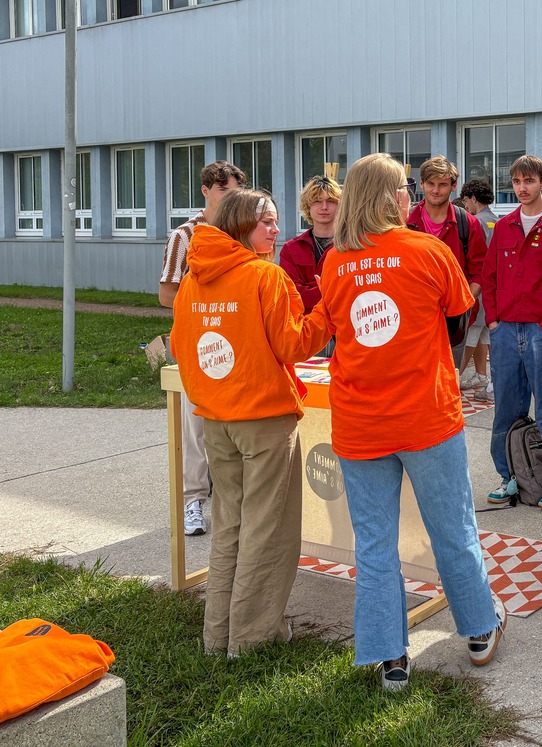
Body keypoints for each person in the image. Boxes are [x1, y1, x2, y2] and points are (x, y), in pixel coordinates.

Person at [317, 153, 506, 691]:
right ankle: (478, 629)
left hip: (360, 423)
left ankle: (389, 658)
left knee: (374, 545)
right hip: (426, 418)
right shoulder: (428, 250)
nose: (411, 194)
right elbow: (460, 305)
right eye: (404, 186)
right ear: (390, 196)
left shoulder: (335, 261)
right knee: (454, 531)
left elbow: (333, 323)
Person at [169, 188, 330, 656]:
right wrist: (328, 311)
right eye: (267, 222)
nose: (276, 230)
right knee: (269, 530)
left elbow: (180, 348)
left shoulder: (196, 277)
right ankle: (253, 638)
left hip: (217, 419)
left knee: (230, 529)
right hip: (264, 421)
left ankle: (217, 636)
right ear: (242, 226)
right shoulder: (266, 276)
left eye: (277, 221)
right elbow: (294, 345)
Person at [482, 155, 542, 509]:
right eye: (517, 182)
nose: (523, 188)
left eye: (529, 181)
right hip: (505, 331)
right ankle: (509, 476)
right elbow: (489, 277)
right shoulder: (505, 226)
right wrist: (493, 320)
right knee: (506, 410)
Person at [159, 159, 247, 535]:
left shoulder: (242, 232)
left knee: (232, 424)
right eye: (224, 191)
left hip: (239, 343)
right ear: (206, 191)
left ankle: (232, 504)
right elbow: (166, 294)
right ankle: (192, 501)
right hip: (199, 342)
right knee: (195, 426)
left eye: (236, 193)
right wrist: (205, 301)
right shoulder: (185, 235)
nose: (230, 199)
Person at [407, 156, 488, 367]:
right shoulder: (406, 223)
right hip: (411, 320)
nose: (436, 190)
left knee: (450, 384)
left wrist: (461, 306)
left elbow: (481, 271)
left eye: (442, 184)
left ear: (453, 186)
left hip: (454, 322)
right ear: (422, 184)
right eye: (431, 184)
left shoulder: (468, 224)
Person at [279, 175, 342, 357]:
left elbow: (351, 290)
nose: (324, 207)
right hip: (307, 329)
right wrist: (330, 290)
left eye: (330, 201)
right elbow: (293, 295)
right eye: (317, 201)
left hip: (343, 329)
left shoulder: (350, 246)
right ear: (308, 206)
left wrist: (312, 290)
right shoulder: (291, 249)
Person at [459, 179, 499, 400]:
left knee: (468, 338)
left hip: (478, 290)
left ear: (473, 199)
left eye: (466, 201)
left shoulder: (474, 222)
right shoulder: (497, 221)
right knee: (486, 338)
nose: (466, 206)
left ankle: (453, 379)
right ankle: (486, 378)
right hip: (493, 293)